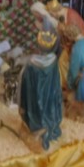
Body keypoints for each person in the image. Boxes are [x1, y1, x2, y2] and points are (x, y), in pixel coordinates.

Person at [18, 14, 63, 152]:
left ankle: (37, 128)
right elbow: (56, 83)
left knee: (35, 109)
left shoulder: (32, 63)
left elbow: (25, 82)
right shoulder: (54, 60)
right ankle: (48, 126)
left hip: (34, 101)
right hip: (49, 101)